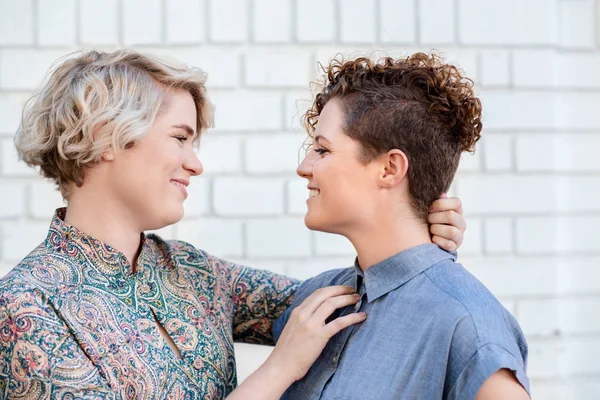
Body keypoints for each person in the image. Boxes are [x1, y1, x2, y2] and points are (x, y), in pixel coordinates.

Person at [0, 49, 466, 399]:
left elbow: (349, 304)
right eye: (180, 138)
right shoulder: (26, 310)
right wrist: (277, 370)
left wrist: (415, 237)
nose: (195, 164)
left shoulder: (196, 274)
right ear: (105, 137)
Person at [273, 52, 530, 400]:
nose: (304, 167)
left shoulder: (467, 324)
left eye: (321, 150)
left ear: (390, 169)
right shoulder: (313, 301)